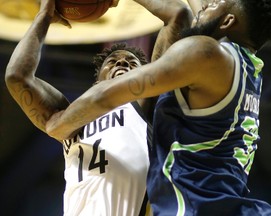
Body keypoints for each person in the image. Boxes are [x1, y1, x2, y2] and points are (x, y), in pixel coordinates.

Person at [41, 0, 271, 215]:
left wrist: (57, 124)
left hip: (196, 208)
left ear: (228, 21)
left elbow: (106, 95)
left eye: (214, 3)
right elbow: (190, 11)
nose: (204, 5)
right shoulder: (247, 67)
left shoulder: (206, 54)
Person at [4, 0, 192, 215]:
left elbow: (179, 14)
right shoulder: (69, 118)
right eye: (112, 62)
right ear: (97, 82)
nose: (122, 63)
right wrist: (44, 16)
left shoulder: (147, 103)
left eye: (132, 63)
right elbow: (16, 77)